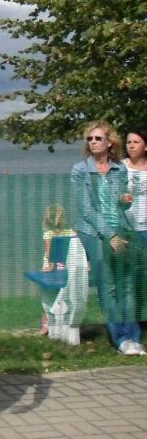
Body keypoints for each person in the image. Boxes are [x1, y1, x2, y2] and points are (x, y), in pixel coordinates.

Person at [72, 122, 143, 355]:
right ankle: (120, 339)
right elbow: (86, 210)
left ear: (110, 143)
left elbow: (119, 206)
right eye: (90, 139)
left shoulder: (119, 169)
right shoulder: (80, 170)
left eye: (98, 138)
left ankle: (134, 337)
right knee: (108, 287)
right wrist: (110, 235)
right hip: (95, 234)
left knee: (127, 285)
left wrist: (125, 201)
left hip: (121, 230)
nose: (93, 142)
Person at [35, 204, 88, 345]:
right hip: (67, 267)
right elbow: (78, 249)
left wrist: (50, 267)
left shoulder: (48, 234)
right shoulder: (71, 233)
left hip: (52, 266)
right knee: (65, 294)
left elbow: (49, 254)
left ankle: (46, 323)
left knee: (47, 295)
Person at [123, 130, 147, 320]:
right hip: (127, 230)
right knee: (129, 277)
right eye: (129, 142)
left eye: (136, 142)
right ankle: (132, 320)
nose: (131, 145)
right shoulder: (120, 167)